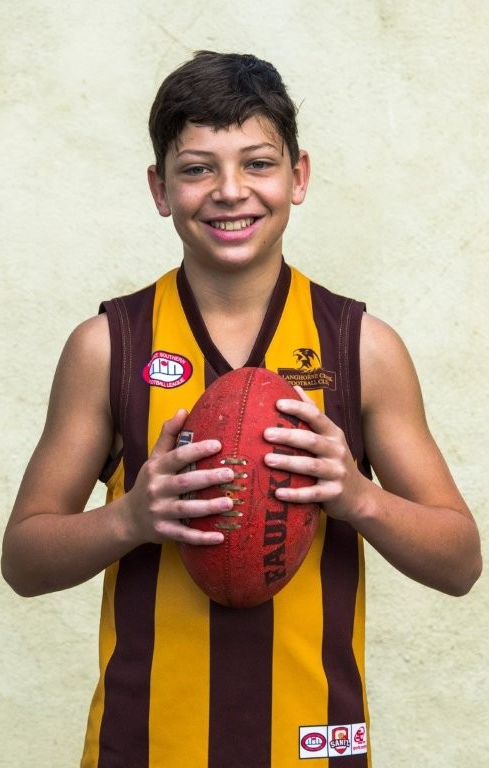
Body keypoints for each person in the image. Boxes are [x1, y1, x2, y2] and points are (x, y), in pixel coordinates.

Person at [2, 51, 482, 768]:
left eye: (258, 164)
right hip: (144, 745)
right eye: (197, 168)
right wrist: (130, 517)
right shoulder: (108, 346)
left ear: (298, 176)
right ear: (160, 188)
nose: (230, 191)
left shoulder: (361, 347)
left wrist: (357, 496)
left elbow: (460, 563)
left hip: (314, 746)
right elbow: (23, 561)